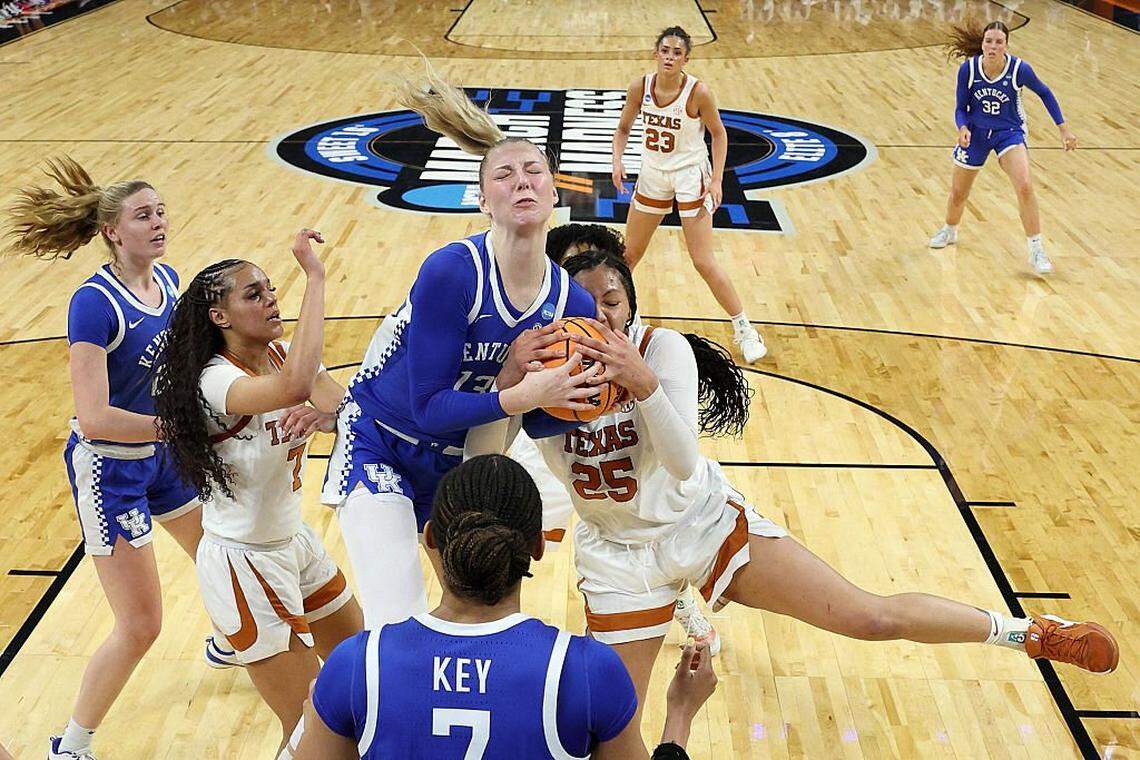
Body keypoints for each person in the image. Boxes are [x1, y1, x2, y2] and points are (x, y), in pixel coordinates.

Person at [469, 248, 1119, 739]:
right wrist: (508, 385)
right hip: (618, 560)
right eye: (583, 304)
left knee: (868, 618)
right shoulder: (543, 376)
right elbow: (481, 460)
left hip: (702, 525)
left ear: (631, 306)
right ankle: (684, 642)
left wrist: (643, 384)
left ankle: (1028, 632)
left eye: (611, 299)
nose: (598, 313)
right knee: (609, 733)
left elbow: (686, 465)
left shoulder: (659, 349)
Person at [320, 61, 601, 628]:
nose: (521, 181)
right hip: (384, 443)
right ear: (481, 200)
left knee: (474, 618)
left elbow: (542, 423)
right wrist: (521, 393)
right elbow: (428, 405)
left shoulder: (574, 305)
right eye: (504, 175)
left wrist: (587, 399)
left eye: (533, 171)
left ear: (555, 190)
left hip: (462, 462)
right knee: (395, 622)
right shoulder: (453, 271)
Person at [5, 157, 219, 760]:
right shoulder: (93, 305)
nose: (159, 223)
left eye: (161, 211)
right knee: (142, 625)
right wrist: (180, 426)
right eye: (143, 215)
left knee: (223, 556)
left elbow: (180, 371)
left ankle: (234, 639)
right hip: (111, 470)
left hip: (162, 456)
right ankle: (72, 744)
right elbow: (95, 416)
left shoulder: (172, 283)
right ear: (112, 231)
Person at [296, 455, 717, 759]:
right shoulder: (588, 671)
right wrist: (679, 715)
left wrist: (319, 719)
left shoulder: (355, 665)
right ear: (537, 546)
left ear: (430, 540)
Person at [153, 229, 364, 752]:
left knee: (361, 681)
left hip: (295, 543)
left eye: (271, 289)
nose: (270, 298)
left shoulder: (280, 351)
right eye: (254, 293)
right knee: (306, 724)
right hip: (243, 562)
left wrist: (323, 412)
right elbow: (293, 387)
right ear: (219, 316)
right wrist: (314, 277)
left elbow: (347, 408)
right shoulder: (214, 381)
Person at [509, 223, 724, 655]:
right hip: (558, 452)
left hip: (633, 481)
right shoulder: (546, 336)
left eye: (608, 296)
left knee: (636, 519)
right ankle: (501, 628)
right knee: (517, 537)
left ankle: (675, 602)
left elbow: (680, 457)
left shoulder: (644, 346)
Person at [611, 26, 766, 363]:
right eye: (665, 50)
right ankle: (621, 323)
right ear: (656, 52)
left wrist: (717, 181)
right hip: (653, 171)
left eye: (677, 52)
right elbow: (623, 127)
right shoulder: (640, 86)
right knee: (629, 256)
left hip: (689, 174)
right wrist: (617, 161)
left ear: (686, 58)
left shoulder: (698, 92)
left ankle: (744, 329)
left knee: (701, 260)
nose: (669, 57)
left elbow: (719, 134)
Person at [928, 20, 1076, 274]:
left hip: (1008, 133)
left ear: (1006, 45)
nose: (993, 46)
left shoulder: (1019, 69)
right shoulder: (969, 69)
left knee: (1025, 186)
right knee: (958, 193)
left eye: (998, 42)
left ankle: (1036, 249)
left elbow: (1045, 93)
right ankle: (950, 230)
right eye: (989, 41)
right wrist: (962, 128)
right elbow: (960, 108)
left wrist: (1063, 128)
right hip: (975, 134)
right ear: (982, 44)